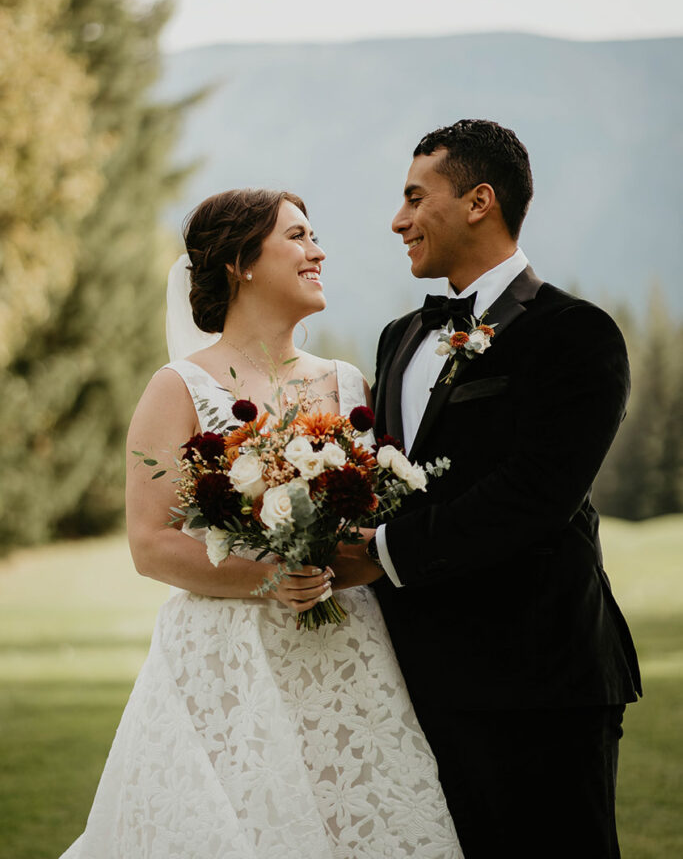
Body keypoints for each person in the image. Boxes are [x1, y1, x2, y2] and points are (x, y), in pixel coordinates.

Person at [58, 188, 461, 859]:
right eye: (298, 237)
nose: (318, 251)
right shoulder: (179, 387)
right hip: (226, 661)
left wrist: (333, 567)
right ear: (240, 263)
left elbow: (377, 522)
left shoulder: (349, 386)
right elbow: (150, 543)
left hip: (344, 656)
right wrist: (270, 578)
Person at [333, 120, 642, 859]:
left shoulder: (576, 334)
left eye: (414, 197)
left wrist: (382, 552)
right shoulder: (399, 336)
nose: (396, 219)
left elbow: (536, 494)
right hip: (413, 677)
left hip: (539, 680)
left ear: (478, 200)